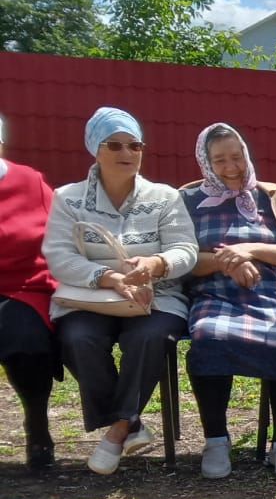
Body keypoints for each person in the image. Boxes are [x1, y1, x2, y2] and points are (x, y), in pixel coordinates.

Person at [42, 107, 198, 475]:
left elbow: (185, 249)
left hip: (155, 297)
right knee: (78, 340)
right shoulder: (69, 198)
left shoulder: (163, 197)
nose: (127, 153)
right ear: (95, 149)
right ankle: (132, 422)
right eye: (115, 145)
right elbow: (58, 256)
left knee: (148, 339)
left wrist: (156, 264)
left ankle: (116, 431)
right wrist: (109, 278)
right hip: (91, 298)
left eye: (135, 144)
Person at [180, 123, 276, 479]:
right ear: (205, 161)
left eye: (237, 156)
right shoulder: (189, 200)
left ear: (247, 154)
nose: (231, 167)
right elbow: (182, 259)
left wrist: (249, 250)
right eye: (220, 159)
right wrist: (228, 263)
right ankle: (215, 440)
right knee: (209, 336)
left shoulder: (275, 197)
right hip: (216, 292)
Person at [0, 112, 61, 472]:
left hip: (24, 287)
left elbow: (62, 234)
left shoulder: (29, 181)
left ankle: (36, 425)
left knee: (27, 340)